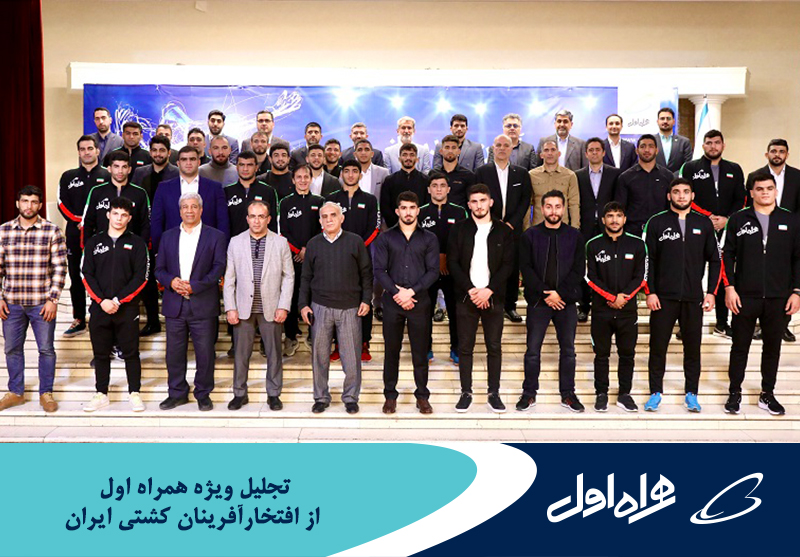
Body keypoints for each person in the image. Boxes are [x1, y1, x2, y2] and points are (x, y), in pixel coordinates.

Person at [723, 173, 800, 416]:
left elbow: (798, 258)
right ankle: (734, 392)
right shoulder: (738, 219)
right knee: (739, 347)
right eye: (759, 188)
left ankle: (767, 393)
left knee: (772, 348)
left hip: (779, 298)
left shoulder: (791, 220)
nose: (765, 192)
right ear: (752, 193)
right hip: (745, 296)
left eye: (769, 188)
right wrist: (729, 287)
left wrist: (797, 291)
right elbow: (727, 256)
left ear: (776, 191)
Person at [643, 178, 721, 413]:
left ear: (692, 196)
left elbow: (715, 260)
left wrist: (711, 293)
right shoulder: (656, 223)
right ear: (669, 196)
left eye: (686, 192)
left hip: (693, 298)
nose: (681, 196)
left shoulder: (703, 224)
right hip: (663, 299)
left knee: (693, 349)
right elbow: (648, 260)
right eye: (676, 192)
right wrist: (650, 292)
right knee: (658, 347)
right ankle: (655, 392)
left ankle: (691, 394)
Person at [155, 193, 227, 412]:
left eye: (194, 206)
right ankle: (177, 393)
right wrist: (171, 281)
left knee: (205, 353)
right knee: (174, 354)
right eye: (185, 207)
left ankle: (203, 393)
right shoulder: (167, 236)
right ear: (180, 211)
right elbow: (159, 269)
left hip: (203, 303)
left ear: (201, 210)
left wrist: (195, 286)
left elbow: (218, 268)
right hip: (174, 304)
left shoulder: (215, 236)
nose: (189, 210)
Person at [300, 202, 373, 414]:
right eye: (324, 216)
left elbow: (366, 273)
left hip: (350, 308)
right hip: (320, 307)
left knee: (351, 358)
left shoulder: (355, 241)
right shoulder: (313, 244)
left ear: (342, 218)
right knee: (320, 357)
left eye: (333, 215)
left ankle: (350, 397)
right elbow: (305, 277)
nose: (329, 219)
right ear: (320, 220)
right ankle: (321, 397)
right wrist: (303, 305)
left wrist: (366, 300)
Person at [447, 183, 514, 413]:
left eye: (482, 201)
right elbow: (453, 263)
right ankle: (466, 392)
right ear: (469, 205)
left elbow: (508, 265)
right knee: (465, 348)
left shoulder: (504, 231)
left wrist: (489, 290)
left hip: (493, 298)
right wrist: (471, 290)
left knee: (494, 347)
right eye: (474, 202)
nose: (479, 206)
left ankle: (493, 393)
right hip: (467, 298)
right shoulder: (459, 229)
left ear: (491, 202)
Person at [0, 186, 66, 413]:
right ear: (17, 203)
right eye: (25, 201)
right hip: (12, 304)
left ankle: (46, 393)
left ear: (40, 205)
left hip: (41, 304)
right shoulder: (3, 231)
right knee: (12, 349)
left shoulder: (52, 231)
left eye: (34, 202)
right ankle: (16, 392)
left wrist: (53, 300)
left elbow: (60, 268)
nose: (29, 206)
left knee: (46, 349)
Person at [518, 190, 585, 412]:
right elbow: (526, 269)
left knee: (568, 351)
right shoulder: (530, 236)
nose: (553, 211)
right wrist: (546, 293)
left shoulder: (575, 236)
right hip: (539, 303)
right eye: (549, 206)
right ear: (542, 208)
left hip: (565, 303)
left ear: (563, 209)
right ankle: (529, 393)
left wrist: (560, 294)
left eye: (557, 206)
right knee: (532, 351)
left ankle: (568, 394)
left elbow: (578, 270)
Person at [224, 199, 294, 411]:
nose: (256, 221)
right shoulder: (235, 242)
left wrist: (283, 306)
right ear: (247, 218)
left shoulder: (280, 243)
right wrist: (230, 307)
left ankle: (273, 394)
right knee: (241, 355)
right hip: (243, 308)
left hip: (271, 307)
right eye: (253, 216)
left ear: (268, 219)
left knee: (274, 353)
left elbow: (289, 276)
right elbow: (229, 278)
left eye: (261, 216)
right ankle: (239, 393)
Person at [373, 192, 439, 414]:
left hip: (419, 302)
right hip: (392, 303)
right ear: (397, 211)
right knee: (391, 351)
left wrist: (410, 292)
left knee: (420, 353)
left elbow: (433, 271)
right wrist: (397, 293)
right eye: (404, 208)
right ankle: (390, 396)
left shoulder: (429, 238)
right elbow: (379, 270)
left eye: (412, 208)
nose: (408, 212)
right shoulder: (386, 238)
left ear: (418, 210)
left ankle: (422, 396)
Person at [81, 196, 148, 413]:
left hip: (126, 309)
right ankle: (101, 393)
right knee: (101, 354)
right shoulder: (94, 242)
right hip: (99, 308)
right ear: (108, 214)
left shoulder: (137, 244)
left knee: (131, 353)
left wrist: (118, 300)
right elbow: (86, 274)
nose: (119, 218)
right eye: (116, 213)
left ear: (129, 218)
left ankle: (134, 393)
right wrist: (102, 301)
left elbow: (141, 278)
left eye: (124, 215)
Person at [678, 129, 745, 339]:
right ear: (703, 145)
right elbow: (686, 195)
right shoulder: (690, 167)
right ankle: (686, 324)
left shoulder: (734, 169)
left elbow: (741, 198)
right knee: (692, 272)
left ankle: (722, 323)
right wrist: (707, 217)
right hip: (698, 226)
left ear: (723, 145)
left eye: (717, 142)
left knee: (724, 272)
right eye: (709, 142)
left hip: (727, 228)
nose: (713, 146)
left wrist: (727, 219)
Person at [584, 202, 647, 412]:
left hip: (627, 312)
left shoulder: (637, 244)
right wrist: (611, 297)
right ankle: (601, 393)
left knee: (627, 354)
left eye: (618, 215)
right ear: (603, 219)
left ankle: (624, 394)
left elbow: (642, 276)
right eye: (610, 216)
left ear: (625, 219)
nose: (614, 220)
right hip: (602, 311)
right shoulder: (592, 245)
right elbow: (589, 276)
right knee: (601, 355)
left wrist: (624, 297)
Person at [746, 139, 800, 343]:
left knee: (785, 277)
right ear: (766, 154)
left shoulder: (797, 176)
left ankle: (783, 325)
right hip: (759, 231)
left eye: (781, 151)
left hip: (789, 231)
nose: (777, 154)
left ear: (787, 154)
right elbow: (749, 204)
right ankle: (762, 325)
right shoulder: (755, 176)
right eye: (774, 151)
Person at [326, 159, 381, 360]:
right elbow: (326, 224)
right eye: (347, 171)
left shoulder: (370, 199)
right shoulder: (331, 199)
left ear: (360, 174)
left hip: (362, 256)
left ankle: (364, 343)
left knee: (364, 298)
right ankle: (338, 344)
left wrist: (358, 247)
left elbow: (375, 227)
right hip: (336, 256)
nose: (350, 175)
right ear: (341, 174)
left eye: (354, 171)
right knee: (335, 299)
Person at [475, 134, 532, 323]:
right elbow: (478, 198)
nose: (501, 148)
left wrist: (511, 223)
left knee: (512, 267)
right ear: (492, 148)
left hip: (513, 229)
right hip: (488, 227)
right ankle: (489, 302)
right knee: (488, 265)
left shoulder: (521, 173)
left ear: (511, 148)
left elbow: (525, 200)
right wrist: (495, 222)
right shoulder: (482, 172)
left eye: (505, 145)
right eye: (498, 145)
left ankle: (510, 306)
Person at [58, 135, 111, 337]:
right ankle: (79, 318)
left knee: (104, 275)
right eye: (82, 149)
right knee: (76, 276)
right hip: (75, 233)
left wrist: (93, 223)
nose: (86, 152)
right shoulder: (68, 176)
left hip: (102, 234)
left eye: (90, 148)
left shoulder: (108, 175)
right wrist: (79, 220)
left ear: (98, 150)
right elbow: (61, 202)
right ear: (78, 152)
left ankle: (102, 316)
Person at [419, 172, 467, 363]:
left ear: (448, 189)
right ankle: (425, 348)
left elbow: (463, 241)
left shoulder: (459, 212)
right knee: (425, 312)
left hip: (452, 271)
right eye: (434, 186)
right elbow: (416, 242)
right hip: (426, 271)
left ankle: (456, 348)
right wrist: (434, 260)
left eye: (442, 186)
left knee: (455, 312)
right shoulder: (420, 212)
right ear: (428, 189)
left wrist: (448, 258)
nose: (438, 189)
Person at [279, 164, 325, 356]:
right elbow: (283, 231)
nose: (303, 180)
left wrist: (309, 250)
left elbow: (323, 228)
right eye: (299, 177)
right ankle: (290, 336)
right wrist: (298, 250)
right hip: (292, 258)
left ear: (311, 179)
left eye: (306, 176)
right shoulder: (285, 202)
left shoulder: (320, 201)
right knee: (291, 296)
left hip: (315, 258)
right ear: (293, 180)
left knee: (314, 296)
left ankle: (313, 335)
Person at [151, 145, 229, 252]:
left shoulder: (215, 188)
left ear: (199, 162)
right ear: (178, 163)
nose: (188, 163)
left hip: (207, 250)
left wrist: (221, 250)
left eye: (192, 159)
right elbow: (156, 222)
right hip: (172, 250)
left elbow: (223, 222)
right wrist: (158, 251)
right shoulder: (163, 188)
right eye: (184, 159)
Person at [576, 137, 621, 321]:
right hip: (584, 227)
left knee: (607, 266)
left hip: (608, 227)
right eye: (591, 150)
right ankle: (583, 306)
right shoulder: (577, 175)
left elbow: (618, 201)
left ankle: (604, 302)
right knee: (584, 266)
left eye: (597, 150)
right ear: (586, 154)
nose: (594, 153)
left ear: (603, 153)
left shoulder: (615, 174)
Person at [81, 150, 150, 245]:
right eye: (116, 166)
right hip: (102, 246)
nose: (120, 171)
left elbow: (145, 225)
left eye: (124, 167)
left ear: (129, 169)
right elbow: (88, 222)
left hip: (131, 247)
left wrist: (142, 247)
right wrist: (88, 246)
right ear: (109, 169)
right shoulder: (97, 191)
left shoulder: (140, 193)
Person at [615, 134, 675, 235]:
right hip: (632, 232)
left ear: (657, 150)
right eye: (643, 146)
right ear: (637, 150)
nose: (647, 150)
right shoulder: (625, 177)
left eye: (651, 146)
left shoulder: (668, 176)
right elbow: (620, 208)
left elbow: (672, 206)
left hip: (662, 231)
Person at [528, 139, 580, 229]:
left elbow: (574, 204)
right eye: (546, 150)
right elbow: (527, 204)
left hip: (562, 228)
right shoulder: (531, 175)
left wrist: (575, 229)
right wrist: (526, 229)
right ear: (541, 155)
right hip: (538, 229)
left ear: (559, 154)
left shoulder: (570, 175)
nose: (550, 153)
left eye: (553, 150)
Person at [225, 150, 279, 236]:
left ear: (256, 167)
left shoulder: (268, 191)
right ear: (236, 167)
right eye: (242, 165)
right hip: (233, 242)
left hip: (261, 241)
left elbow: (272, 224)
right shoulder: (227, 191)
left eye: (249, 165)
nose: (245, 169)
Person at [380, 143, 431, 228]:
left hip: (420, 227)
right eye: (405, 155)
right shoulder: (389, 180)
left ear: (417, 159)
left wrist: (418, 224)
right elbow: (385, 206)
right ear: (399, 159)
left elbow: (428, 205)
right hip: (394, 228)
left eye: (412, 155)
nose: (408, 158)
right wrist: (396, 225)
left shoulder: (426, 180)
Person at [431, 134, 477, 208]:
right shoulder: (433, 174)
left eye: (453, 148)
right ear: (441, 151)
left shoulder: (468, 175)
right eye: (447, 147)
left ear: (459, 151)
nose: (450, 151)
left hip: (460, 214)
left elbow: (472, 200)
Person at [132, 135, 179, 204]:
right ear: (150, 152)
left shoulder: (177, 174)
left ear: (169, 153)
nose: (158, 154)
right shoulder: (139, 172)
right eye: (154, 150)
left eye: (162, 150)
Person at [654, 107, 692, 173]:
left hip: (677, 178)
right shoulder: (650, 141)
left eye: (668, 118)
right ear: (657, 121)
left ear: (674, 122)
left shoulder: (684, 142)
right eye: (662, 118)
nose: (665, 121)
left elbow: (687, 165)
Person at [352, 138, 390, 203]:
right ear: (355, 154)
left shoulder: (383, 172)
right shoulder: (347, 173)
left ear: (372, 154)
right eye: (360, 150)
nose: (363, 153)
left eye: (366, 149)